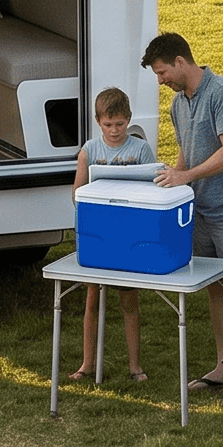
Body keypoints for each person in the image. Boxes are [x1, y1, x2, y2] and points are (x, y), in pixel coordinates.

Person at [144, 32, 223, 386]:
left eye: (163, 72)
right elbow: (187, 154)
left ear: (181, 61)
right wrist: (175, 177)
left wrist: (187, 176)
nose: (161, 81)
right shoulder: (178, 104)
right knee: (214, 288)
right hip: (203, 210)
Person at [69, 87, 154, 381]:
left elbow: (151, 189)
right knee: (92, 300)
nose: (115, 131)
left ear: (128, 119)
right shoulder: (90, 150)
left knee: (129, 300)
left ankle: (135, 366)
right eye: (108, 125)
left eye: (120, 124)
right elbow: (77, 193)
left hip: (128, 234)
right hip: (98, 233)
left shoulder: (140, 150)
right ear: (97, 121)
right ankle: (87, 365)